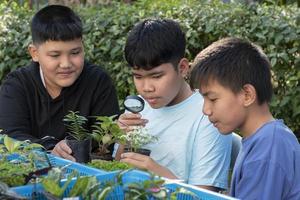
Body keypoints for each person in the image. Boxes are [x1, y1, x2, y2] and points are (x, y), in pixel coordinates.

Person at [114, 19, 232, 191]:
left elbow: (204, 195)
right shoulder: (138, 106)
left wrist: (155, 173)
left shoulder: (209, 116)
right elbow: (117, 171)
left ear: (183, 68)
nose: (147, 88)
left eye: (156, 76)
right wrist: (121, 138)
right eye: (138, 77)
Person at [0, 5, 120, 161]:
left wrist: (78, 146)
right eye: (55, 55)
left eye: (75, 53)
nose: (66, 64)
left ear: (83, 47)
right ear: (34, 53)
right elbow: (10, 136)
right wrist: (50, 149)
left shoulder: (98, 81)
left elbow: (107, 137)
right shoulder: (17, 86)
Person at [190, 37, 300, 199]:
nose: (205, 110)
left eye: (212, 99)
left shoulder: (268, 148)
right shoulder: (264, 140)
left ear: (247, 95)